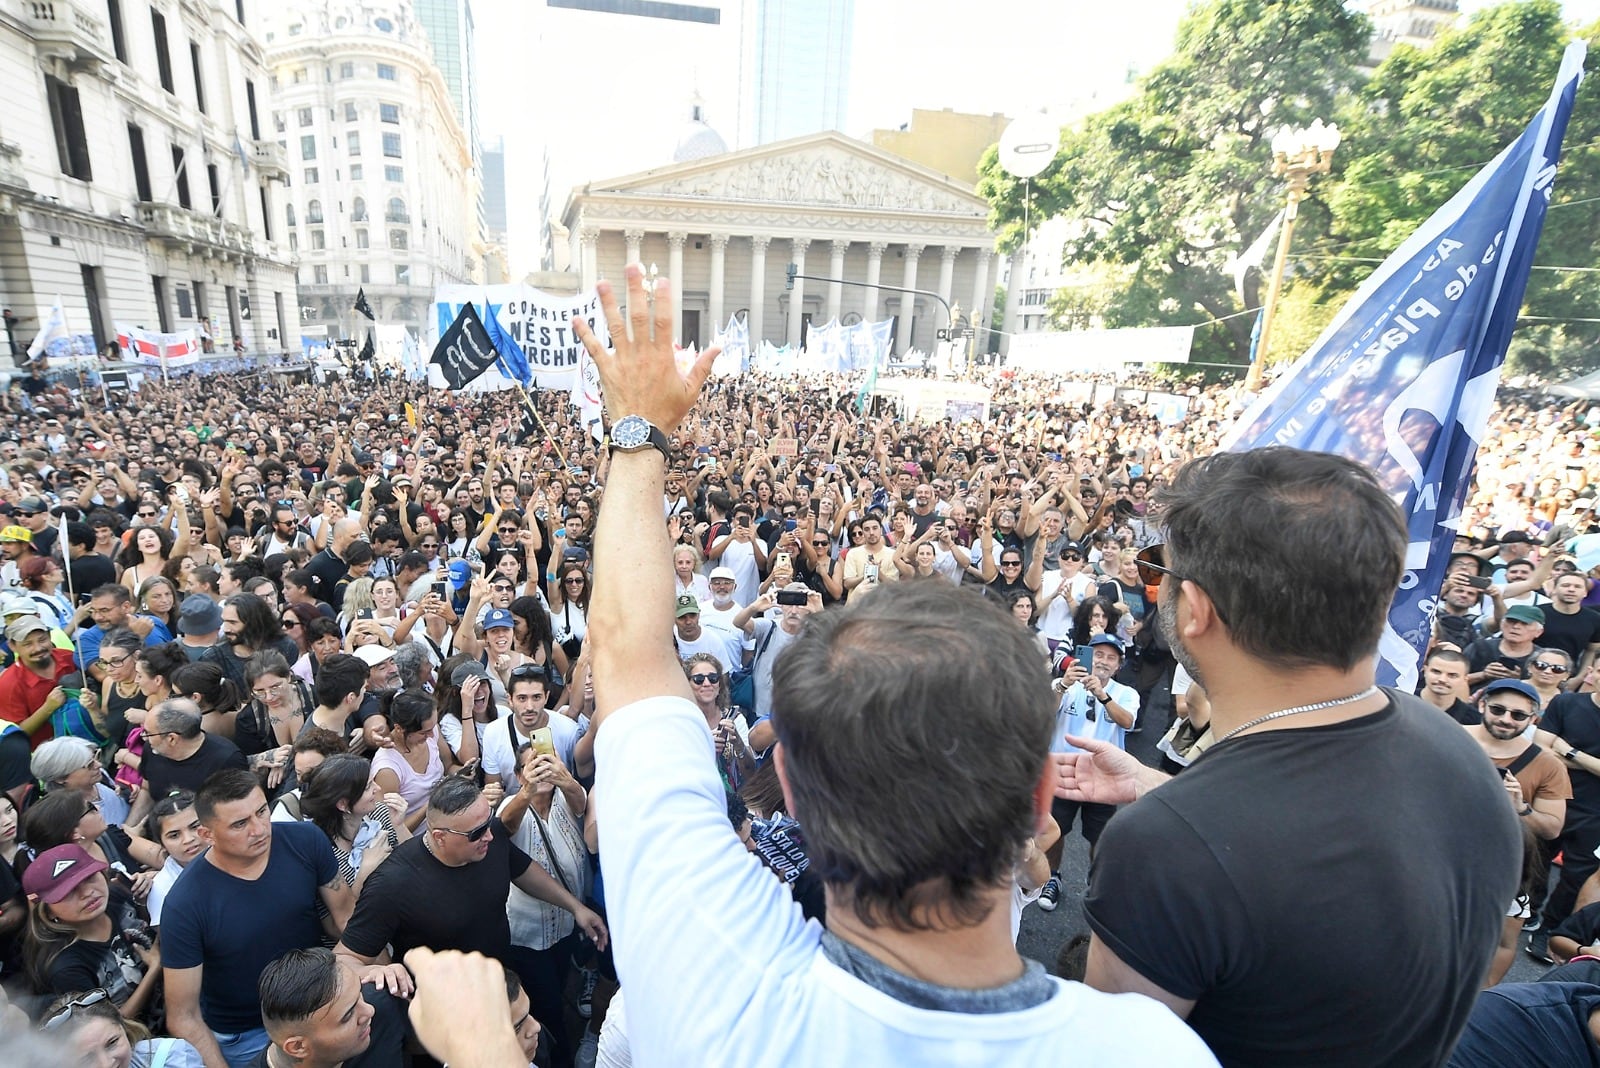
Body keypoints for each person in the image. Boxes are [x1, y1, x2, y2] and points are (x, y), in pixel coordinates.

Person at [570, 267, 1214, 1064]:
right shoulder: (1156, 1053)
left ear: (795, 794)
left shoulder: (710, 981)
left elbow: (629, 649)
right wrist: (1168, 791)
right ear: (1041, 797)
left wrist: (638, 428)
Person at [1055, 448, 1521, 1065]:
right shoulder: (1461, 757)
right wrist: (1165, 793)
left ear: (1195, 610)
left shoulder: (1164, 849)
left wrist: (1179, 819)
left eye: (1156, 570)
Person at [160, 769, 401, 1068]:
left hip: (324, 1005)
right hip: (245, 1034)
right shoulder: (184, 904)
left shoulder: (305, 840)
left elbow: (346, 921)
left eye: (261, 812)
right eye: (239, 824)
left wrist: (390, 977)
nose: (259, 829)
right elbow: (184, 1016)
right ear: (207, 834)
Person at [334, 776, 607, 990]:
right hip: (445, 1012)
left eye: (488, 823)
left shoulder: (490, 841)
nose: (489, 835)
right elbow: (344, 958)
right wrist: (372, 971)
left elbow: (521, 868)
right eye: (476, 833)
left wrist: (575, 907)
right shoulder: (392, 884)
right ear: (439, 836)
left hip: (502, 981)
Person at [21, 842, 162, 1017]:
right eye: (68, 892)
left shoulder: (117, 896)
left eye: (89, 878)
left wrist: (149, 896)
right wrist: (155, 968)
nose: (87, 893)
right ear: (48, 912)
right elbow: (111, 1024)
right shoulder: (67, 968)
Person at [251, 948, 374, 1068]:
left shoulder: (384, 1007)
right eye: (348, 1015)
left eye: (360, 992)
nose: (370, 1010)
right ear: (298, 1047)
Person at [38, 987, 205, 1068]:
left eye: (112, 1043)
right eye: (86, 1058)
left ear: (123, 1028)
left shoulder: (172, 1056)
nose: (107, 1063)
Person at [0, 614, 77, 747]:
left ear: (49, 636)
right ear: (12, 646)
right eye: (28, 644)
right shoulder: (8, 683)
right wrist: (48, 708)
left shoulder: (69, 657)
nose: (38, 648)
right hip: (47, 755)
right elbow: (16, 734)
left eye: (42, 640)